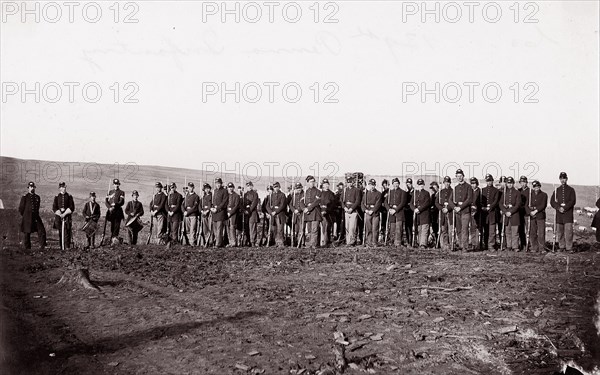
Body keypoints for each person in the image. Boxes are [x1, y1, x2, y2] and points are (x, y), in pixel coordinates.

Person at [550, 172, 577, 252]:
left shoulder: (571, 190)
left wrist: (564, 208)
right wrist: (558, 208)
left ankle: (569, 247)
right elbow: (552, 201)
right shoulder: (557, 190)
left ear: (567, 179)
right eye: (561, 178)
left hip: (568, 214)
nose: (563, 180)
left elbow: (572, 201)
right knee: (560, 232)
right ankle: (561, 246)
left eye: (564, 178)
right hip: (559, 214)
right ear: (559, 179)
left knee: (568, 232)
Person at [19, 181, 47, 250]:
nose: (32, 188)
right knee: (27, 233)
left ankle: (42, 247)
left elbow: (37, 208)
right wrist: (26, 216)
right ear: (28, 188)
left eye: (33, 187)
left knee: (41, 230)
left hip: (36, 217)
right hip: (27, 217)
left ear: (34, 188)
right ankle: (27, 249)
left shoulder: (37, 197)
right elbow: (21, 209)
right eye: (30, 187)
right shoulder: (25, 197)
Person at [451, 169, 473, 251]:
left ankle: (465, 246)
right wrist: (454, 207)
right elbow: (450, 200)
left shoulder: (468, 187)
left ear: (463, 176)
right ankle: (460, 244)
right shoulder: (455, 188)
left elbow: (469, 199)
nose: (459, 177)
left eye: (460, 176)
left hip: (465, 211)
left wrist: (460, 207)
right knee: (459, 229)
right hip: (457, 212)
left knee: (465, 229)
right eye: (457, 176)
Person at [384, 178, 409, 247]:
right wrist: (389, 209)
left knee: (399, 228)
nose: (396, 185)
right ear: (392, 184)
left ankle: (398, 243)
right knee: (392, 227)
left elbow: (403, 202)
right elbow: (385, 202)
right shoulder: (390, 192)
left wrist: (396, 210)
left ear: (399, 184)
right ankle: (391, 241)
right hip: (391, 212)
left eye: (397, 183)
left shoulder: (403, 192)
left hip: (399, 212)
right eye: (394, 183)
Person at [525, 180, 548, 252]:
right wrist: (530, 212)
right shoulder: (530, 195)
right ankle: (534, 247)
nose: (536, 188)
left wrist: (536, 211)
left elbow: (543, 205)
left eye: (537, 187)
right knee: (532, 232)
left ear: (540, 186)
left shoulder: (544, 195)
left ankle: (542, 248)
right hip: (532, 216)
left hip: (540, 216)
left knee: (541, 233)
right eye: (535, 187)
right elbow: (526, 205)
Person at [500, 177, 521, 251]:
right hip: (506, 215)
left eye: (511, 183)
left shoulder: (517, 193)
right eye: (508, 183)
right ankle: (509, 246)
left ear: (513, 183)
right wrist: (505, 211)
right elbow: (500, 203)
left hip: (514, 215)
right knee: (507, 232)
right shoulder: (505, 192)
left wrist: (511, 212)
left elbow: (518, 204)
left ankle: (515, 246)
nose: (509, 185)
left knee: (515, 232)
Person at [53, 181, 75, 250]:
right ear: (60, 188)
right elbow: (54, 207)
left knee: (67, 232)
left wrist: (65, 214)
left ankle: (67, 246)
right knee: (60, 232)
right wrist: (60, 214)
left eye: (65, 187)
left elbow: (72, 207)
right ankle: (61, 247)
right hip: (59, 217)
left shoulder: (69, 197)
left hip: (67, 217)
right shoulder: (57, 197)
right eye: (62, 187)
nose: (64, 188)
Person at [409, 179, 431, 248]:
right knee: (419, 229)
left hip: (424, 213)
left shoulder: (426, 193)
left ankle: (423, 244)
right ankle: (419, 242)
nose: (420, 186)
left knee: (424, 229)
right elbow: (411, 203)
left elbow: (427, 203)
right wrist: (414, 209)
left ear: (424, 185)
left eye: (422, 184)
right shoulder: (415, 193)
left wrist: (419, 209)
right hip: (417, 214)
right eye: (419, 185)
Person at [481, 174, 500, 250]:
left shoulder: (496, 190)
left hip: (492, 212)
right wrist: (483, 207)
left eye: (490, 181)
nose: (489, 183)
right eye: (488, 181)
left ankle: (491, 245)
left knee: (492, 230)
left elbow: (496, 201)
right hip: (485, 213)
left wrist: (490, 207)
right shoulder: (483, 190)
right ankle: (485, 244)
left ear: (492, 181)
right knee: (486, 230)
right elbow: (481, 200)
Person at [361, 178, 382, 247]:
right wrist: (365, 210)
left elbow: (378, 204)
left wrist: (372, 210)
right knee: (368, 228)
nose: (372, 186)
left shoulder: (378, 194)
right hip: (367, 212)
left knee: (375, 228)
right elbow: (362, 203)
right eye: (370, 185)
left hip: (375, 213)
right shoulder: (366, 194)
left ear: (375, 185)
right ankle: (368, 242)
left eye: (373, 185)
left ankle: (374, 242)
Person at [435, 176, 454, 250]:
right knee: (443, 229)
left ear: (450, 183)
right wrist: (442, 208)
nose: (447, 184)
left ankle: (452, 243)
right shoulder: (441, 192)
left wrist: (448, 208)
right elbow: (436, 202)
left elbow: (453, 202)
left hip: (450, 212)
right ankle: (445, 244)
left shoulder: (453, 191)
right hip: (442, 213)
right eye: (445, 182)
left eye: (448, 182)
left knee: (450, 229)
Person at [266, 182, 288, 247]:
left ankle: (281, 243)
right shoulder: (271, 196)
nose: (276, 188)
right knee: (274, 229)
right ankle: (276, 242)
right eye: (275, 187)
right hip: (273, 215)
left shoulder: (282, 195)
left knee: (280, 229)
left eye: (277, 187)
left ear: (279, 187)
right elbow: (267, 206)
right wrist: (270, 212)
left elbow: (282, 205)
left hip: (280, 214)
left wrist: (275, 211)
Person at [342, 176, 361, 246]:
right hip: (346, 211)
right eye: (348, 182)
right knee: (347, 227)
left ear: (353, 183)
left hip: (353, 211)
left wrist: (351, 208)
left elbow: (357, 201)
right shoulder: (344, 191)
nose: (350, 184)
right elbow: (341, 201)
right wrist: (344, 208)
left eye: (351, 182)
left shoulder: (356, 190)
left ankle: (352, 241)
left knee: (352, 227)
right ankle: (348, 241)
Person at [211, 177, 229, 247]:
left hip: (220, 213)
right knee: (215, 229)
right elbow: (213, 201)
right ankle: (220, 242)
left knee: (219, 229)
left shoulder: (224, 191)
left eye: (219, 183)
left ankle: (218, 244)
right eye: (217, 183)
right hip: (214, 213)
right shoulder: (215, 191)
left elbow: (224, 202)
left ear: (221, 184)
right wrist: (212, 208)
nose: (218, 185)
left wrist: (217, 208)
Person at [319, 178, 336, 247]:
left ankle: (326, 241)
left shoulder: (331, 194)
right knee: (320, 228)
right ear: (322, 185)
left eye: (327, 184)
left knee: (327, 227)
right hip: (320, 212)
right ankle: (321, 241)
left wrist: (326, 211)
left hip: (328, 213)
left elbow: (332, 204)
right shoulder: (320, 193)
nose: (326, 186)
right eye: (324, 184)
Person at [182, 182, 200, 246]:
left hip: (193, 215)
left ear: (193, 188)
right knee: (187, 229)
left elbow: (195, 207)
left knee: (193, 229)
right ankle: (187, 242)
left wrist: (188, 212)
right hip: (186, 215)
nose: (190, 188)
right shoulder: (186, 196)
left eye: (191, 187)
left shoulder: (196, 196)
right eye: (189, 187)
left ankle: (192, 242)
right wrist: (184, 211)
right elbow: (183, 205)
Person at [243, 181, 260, 247]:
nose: (249, 187)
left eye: (250, 186)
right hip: (246, 213)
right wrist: (244, 210)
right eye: (247, 186)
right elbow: (244, 204)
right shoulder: (245, 194)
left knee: (252, 227)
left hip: (252, 213)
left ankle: (253, 241)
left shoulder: (255, 194)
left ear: (252, 186)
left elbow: (254, 203)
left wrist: (249, 210)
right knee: (247, 227)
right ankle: (248, 240)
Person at [469, 177, 482, 251]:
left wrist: (476, 207)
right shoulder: (470, 191)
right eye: (472, 184)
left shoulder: (479, 191)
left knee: (478, 228)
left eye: (474, 184)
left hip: (478, 212)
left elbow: (480, 202)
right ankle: (473, 244)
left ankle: (477, 244)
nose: (473, 185)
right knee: (472, 228)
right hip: (471, 211)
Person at [226, 182, 241, 247]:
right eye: (229, 187)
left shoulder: (236, 196)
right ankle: (230, 242)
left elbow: (236, 206)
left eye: (231, 187)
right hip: (226, 213)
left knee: (232, 227)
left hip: (233, 214)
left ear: (233, 188)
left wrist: (230, 213)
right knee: (227, 227)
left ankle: (234, 242)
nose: (230, 189)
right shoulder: (226, 195)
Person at [518, 176, 530, 250]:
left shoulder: (530, 191)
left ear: (526, 183)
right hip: (520, 213)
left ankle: (529, 244)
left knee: (528, 229)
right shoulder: (518, 191)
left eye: (524, 182)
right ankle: (523, 244)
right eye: (521, 182)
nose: (523, 184)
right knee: (520, 229)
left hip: (527, 213)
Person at [404, 178, 414, 246]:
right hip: (407, 211)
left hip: (413, 211)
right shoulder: (406, 193)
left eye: (409, 184)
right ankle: (408, 241)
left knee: (412, 227)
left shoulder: (415, 193)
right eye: (407, 184)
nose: (408, 185)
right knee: (407, 227)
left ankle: (413, 241)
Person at [429, 181, 440, 247]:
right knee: (434, 228)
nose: (433, 189)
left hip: (438, 213)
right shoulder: (432, 196)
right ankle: (436, 242)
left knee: (439, 228)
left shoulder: (440, 194)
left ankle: (439, 243)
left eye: (434, 187)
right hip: (433, 215)